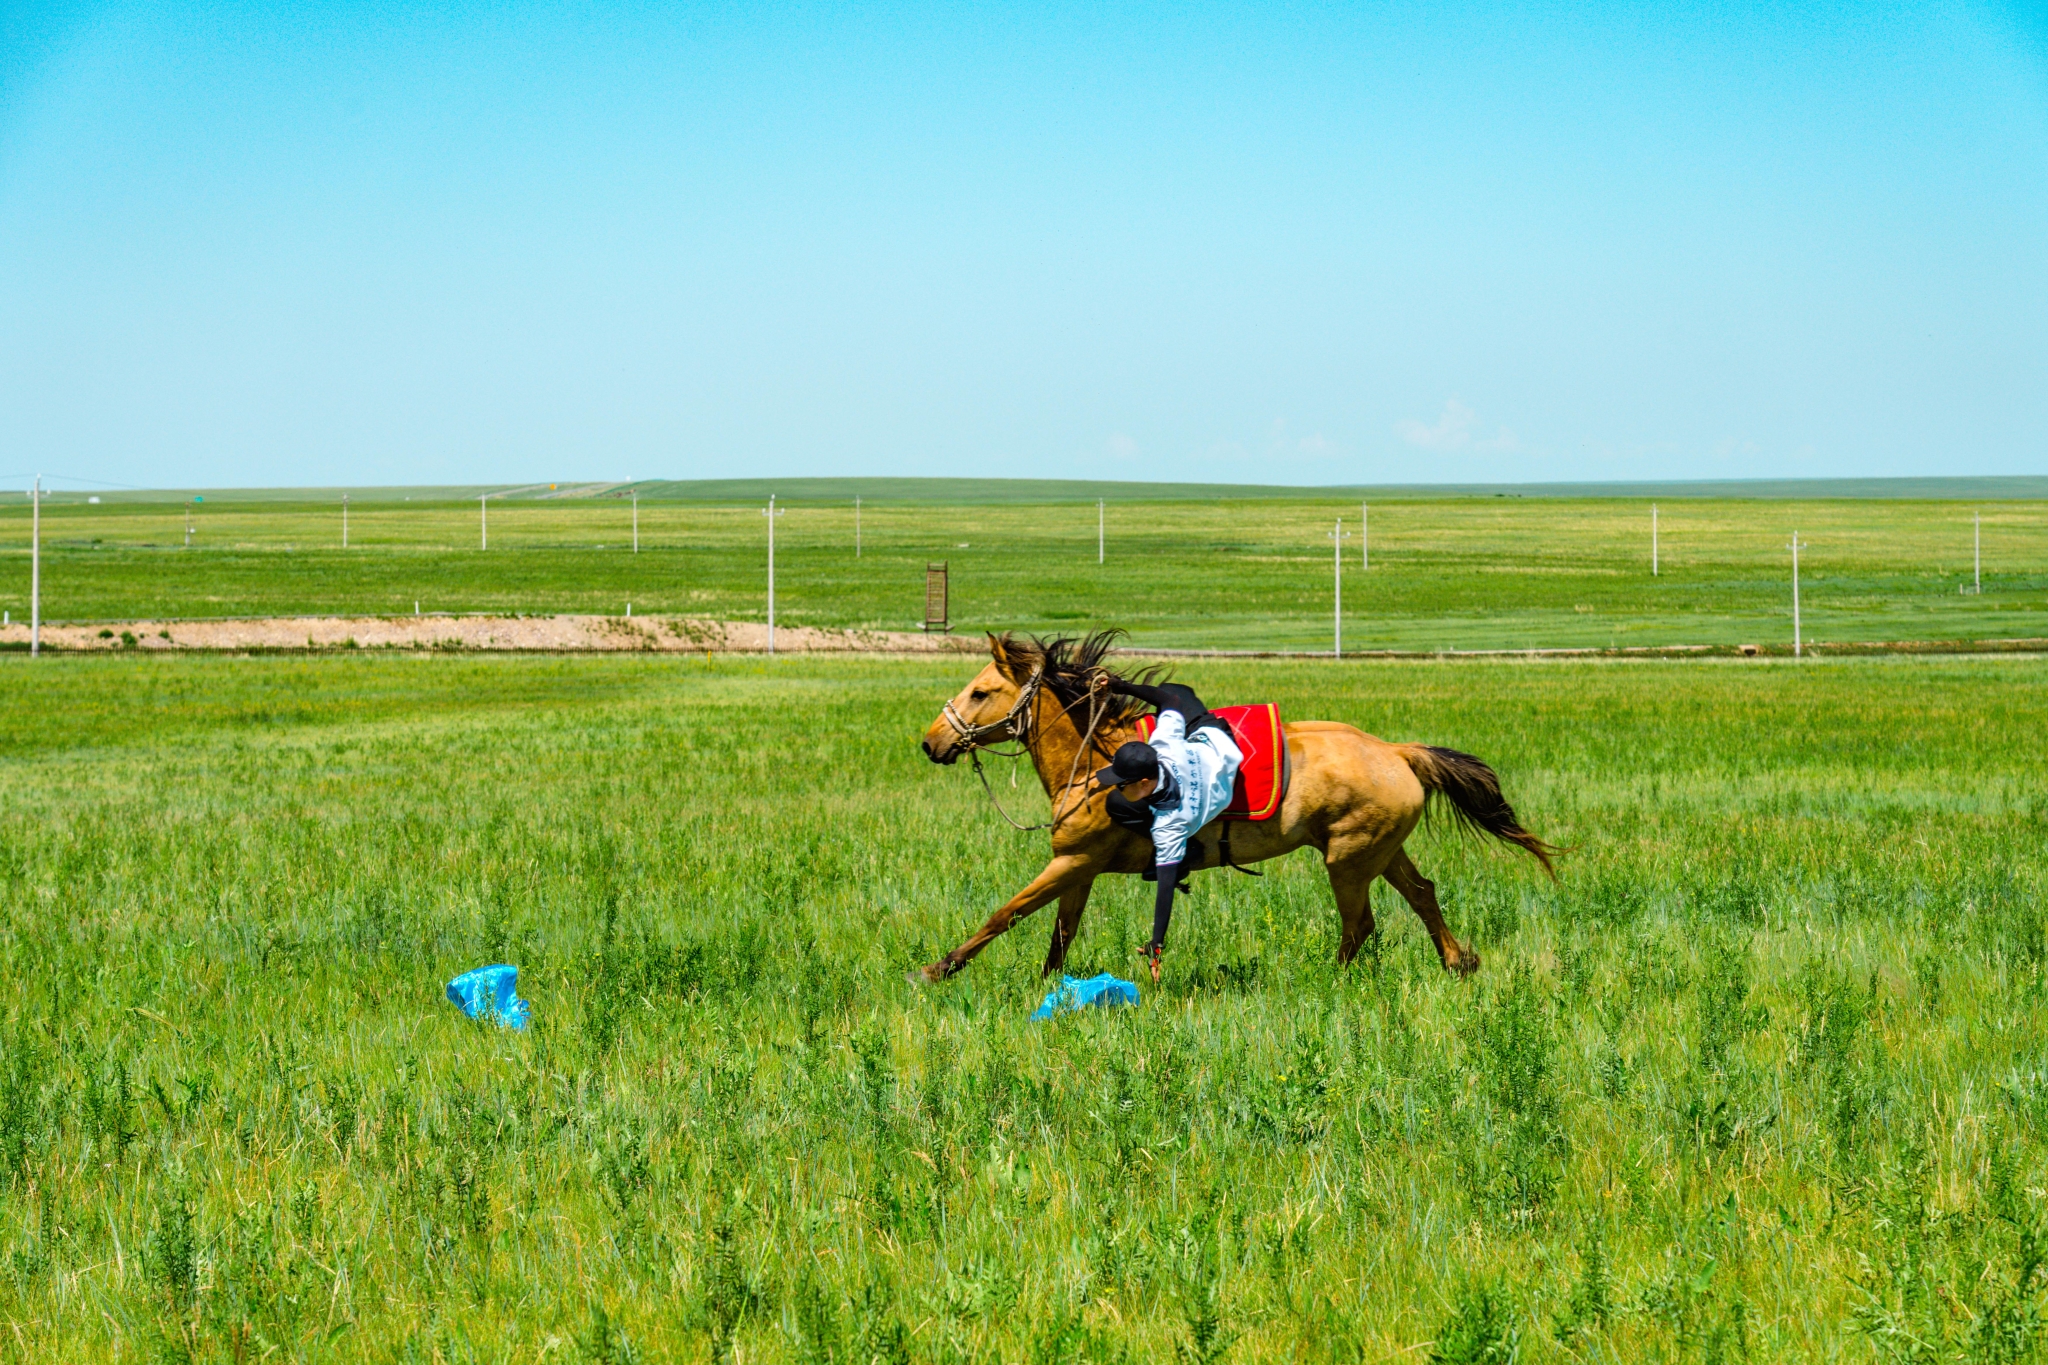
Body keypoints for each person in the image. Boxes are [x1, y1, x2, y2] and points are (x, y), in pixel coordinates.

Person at [1090, 677, 1244, 979]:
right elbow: (1169, 703)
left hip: (1220, 751)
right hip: (1206, 741)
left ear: (1145, 783)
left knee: (1115, 806)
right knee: (1176, 689)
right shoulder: (1164, 746)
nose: (1116, 787)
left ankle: (1190, 852)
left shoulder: (1170, 824)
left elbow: (1165, 890)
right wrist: (1121, 686)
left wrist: (1156, 944)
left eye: (1122, 784)